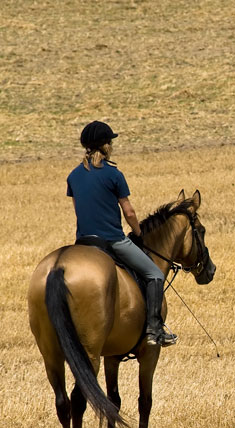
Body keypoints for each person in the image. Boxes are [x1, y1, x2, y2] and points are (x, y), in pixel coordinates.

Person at [66, 120, 176, 347]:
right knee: (154, 274)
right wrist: (138, 234)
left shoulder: (73, 176)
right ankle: (154, 330)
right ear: (105, 146)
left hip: (83, 243)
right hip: (112, 240)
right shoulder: (114, 174)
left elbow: (79, 209)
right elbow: (130, 212)